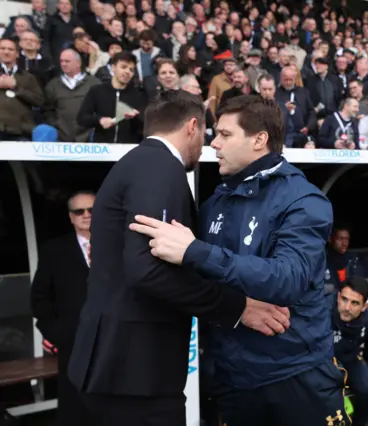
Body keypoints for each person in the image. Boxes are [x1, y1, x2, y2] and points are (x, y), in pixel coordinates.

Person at [67, 90, 289, 426]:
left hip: (127, 368)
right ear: (192, 127)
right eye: (209, 133)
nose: (210, 145)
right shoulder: (159, 167)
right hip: (134, 374)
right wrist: (237, 307)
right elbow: (148, 271)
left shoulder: (142, 163)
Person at [129, 95, 350, 426]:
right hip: (234, 375)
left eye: (225, 134)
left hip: (296, 373)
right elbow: (202, 279)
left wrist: (194, 251)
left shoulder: (304, 200)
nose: (213, 143)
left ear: (259, 139)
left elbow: (288, 279)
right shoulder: (216, 203)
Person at [31, 191, 95, 426]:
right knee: (74, 407)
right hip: (72, 342)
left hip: (114, 339)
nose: (86, 215)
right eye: (79, 211)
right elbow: (40, 298)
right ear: (70, 217)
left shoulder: (118, 246)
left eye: (92, 210)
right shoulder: (54, 251)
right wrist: (57, 333)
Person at [332, 277, 368, 426]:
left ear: (364, 307)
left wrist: (366, 368)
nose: (347, 307)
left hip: (350, 360)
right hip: (321, 362)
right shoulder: (323, 312)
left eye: (355, 303)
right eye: (344, 299)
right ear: (338, 297)